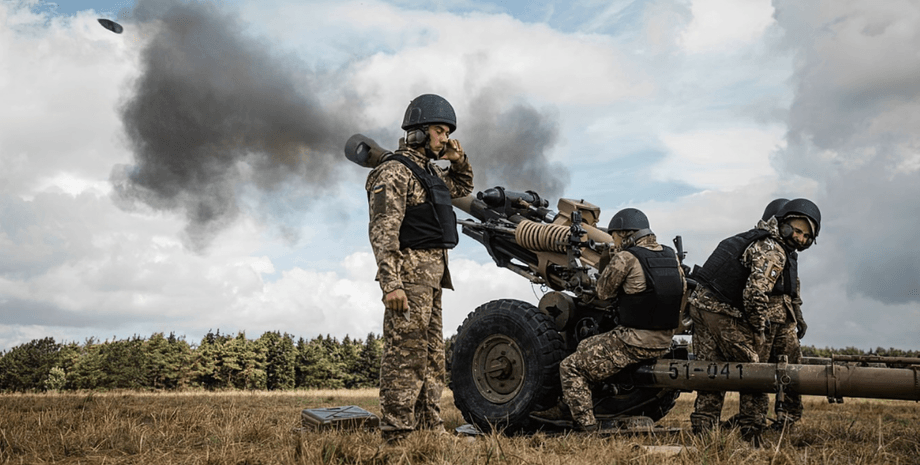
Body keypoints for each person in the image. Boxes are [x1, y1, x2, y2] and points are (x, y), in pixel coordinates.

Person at [364, 94, 474, 442]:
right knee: (405, 357)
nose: (445, 139)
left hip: (432, 279)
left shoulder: (429, 174)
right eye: (440, 132)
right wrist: (391, 283)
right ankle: (396, 434)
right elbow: (383, 229)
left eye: (446, 133)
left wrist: (458, 160)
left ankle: (430, 428)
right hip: (408, 279)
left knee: (431, 359)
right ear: (418, 132)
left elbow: (463, 187)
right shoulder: (394, 171)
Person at [531, 208, 687, 431]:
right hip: (664, 341)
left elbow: (603, 293)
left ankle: (587, 426)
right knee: (587, 346)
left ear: (625, 234)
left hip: (634, 341)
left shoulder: (626, 258)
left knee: (571, 366)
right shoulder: (671, 256)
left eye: (614, 237)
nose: (613, 242)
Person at [688, 197, 821, 444]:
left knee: (711, 369)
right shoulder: (773, 250)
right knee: (753, 369)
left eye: (806, 236)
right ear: (783, 223)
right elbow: (755, 293)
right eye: (798, 231)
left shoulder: (757, 240)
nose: (800, 239)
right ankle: (752, 430)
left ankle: (704, 430)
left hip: (702, 307)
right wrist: (758, 327)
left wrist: (795, 316)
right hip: (722, 312)